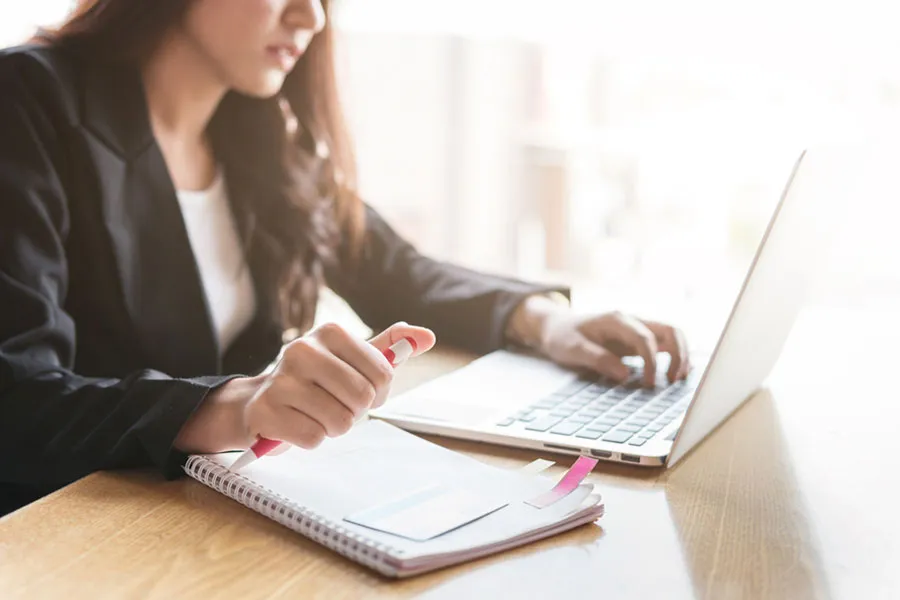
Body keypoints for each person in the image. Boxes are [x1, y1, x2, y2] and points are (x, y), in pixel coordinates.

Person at [0, 0, 690, 516]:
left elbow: (395, 270)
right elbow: (17, 397)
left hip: (204, 520)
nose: (310, 17)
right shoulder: (28, 100)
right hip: (68, 535)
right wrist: (240, 406)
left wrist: (547, 322)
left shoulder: (257, 130)